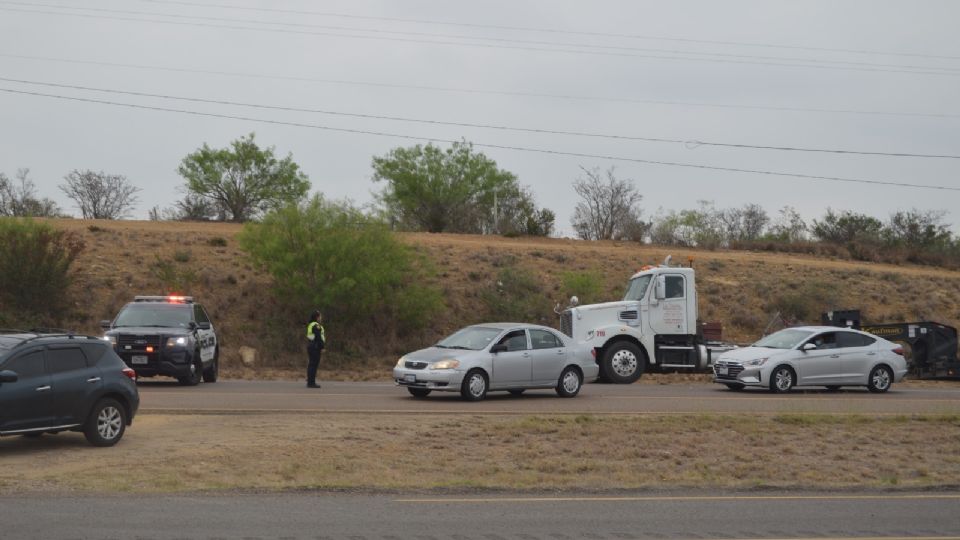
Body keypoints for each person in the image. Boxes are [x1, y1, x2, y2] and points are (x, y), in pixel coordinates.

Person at [305, 310, 325, 389]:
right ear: (317, 317)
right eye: (320, 316)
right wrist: (322, 347)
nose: (321, 318)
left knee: (311, 364)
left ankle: (310, 381)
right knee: (313, 365)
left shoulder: (311, 324)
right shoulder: (316, 325)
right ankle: (311, 383)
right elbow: (318, 337)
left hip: (311, 345)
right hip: (315, 347)